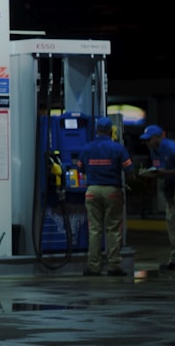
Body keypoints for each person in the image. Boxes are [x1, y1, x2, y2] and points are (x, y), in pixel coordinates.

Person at [78, 117, 135, 276]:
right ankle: (114, 266)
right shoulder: (118, 148)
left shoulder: (87, 148)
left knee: (94, 230)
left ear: (96, 130)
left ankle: (93, 267)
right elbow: (130, 170)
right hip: (112, 191)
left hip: (92, 191)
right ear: (111, 131)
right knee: (113, 229)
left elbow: (80, 169)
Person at [139, 124, 175, 271]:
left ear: (159, 137)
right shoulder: (154, 151)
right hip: (172, 186)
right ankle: (174, 258)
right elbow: (161, 171)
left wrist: (165, 173)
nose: (147, 143)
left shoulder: (173, 147)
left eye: (149, 139)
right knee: (171, 221)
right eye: (145, 140)